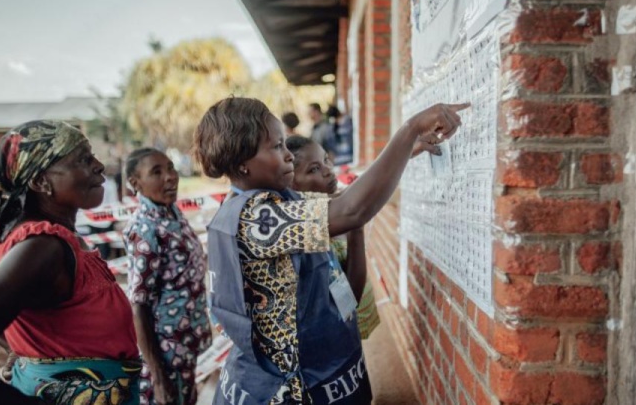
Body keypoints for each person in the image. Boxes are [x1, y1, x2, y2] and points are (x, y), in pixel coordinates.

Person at [194, 97, 463, 405]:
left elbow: (340, 199)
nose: (288, 157)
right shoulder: (255, 217)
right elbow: (351, 210)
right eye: (276, 147)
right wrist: (410, 128)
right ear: (242, 160)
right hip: (284, 391)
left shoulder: (276, 200)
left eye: (285, 144)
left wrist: (406, 153)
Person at [0, 120, 140, 405]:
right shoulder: (43, 249)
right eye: (83, 159)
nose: (99, 165)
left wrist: (16, 347)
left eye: (92, 154)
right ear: (39, 182)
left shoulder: (25, 244)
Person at [123, 148, 211, 405]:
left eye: (171, 168)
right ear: (135, 183)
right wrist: (159, 378)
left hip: (187, 348)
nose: (170, 177)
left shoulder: (171, 212)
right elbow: (139, 306)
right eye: (157, 172)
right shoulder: (145, 229)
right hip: (166, 354)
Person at [285, 135, 381, 339]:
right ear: (293, 186)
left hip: (350, 332)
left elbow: (356, 193)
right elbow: (348, 300)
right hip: (342, 335)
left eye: (326, 160)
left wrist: (408, 153)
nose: (328, 170)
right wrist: (356, 227)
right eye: (314, 169)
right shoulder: (316, 237)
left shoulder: (333, 209)